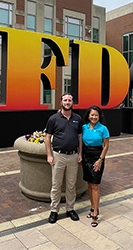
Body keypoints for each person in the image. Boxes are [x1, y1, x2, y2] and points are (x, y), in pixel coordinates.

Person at [44, 93, 83, 224]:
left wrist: (80, 154)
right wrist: (49, 155)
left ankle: (70, 208)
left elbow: (79, 138)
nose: (67, 102)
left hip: (73, 156)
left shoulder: (77, 118)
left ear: (73, 103)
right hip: (58, 156)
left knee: (71, 185)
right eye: (65, 100)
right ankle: (54, 210)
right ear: (61, 102)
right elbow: (48, 137)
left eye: (70, 100)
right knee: (56, 185)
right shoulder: (53, 119)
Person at [82, 105, 110, 227]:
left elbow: (106, 146)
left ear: (99, 117)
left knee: (95, 185)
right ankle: (92, 207)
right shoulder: (84, 127)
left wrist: (100, 160)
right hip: (86, 157)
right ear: (88, 116)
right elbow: (81, 143)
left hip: (97, 157)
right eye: (92, 115)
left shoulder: (103, 129)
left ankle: (95, 214)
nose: (94, 117)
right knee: (89, 183)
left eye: (96, 115)